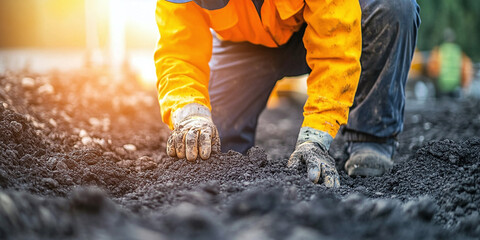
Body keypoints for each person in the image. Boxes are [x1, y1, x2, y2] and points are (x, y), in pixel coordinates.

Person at [154, 0, 420, 187]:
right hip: (245, 43)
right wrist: (191, 113)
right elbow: (178, 50)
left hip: (322, 23)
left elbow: (336, 46)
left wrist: (315, 138)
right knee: (212, 150)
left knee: (393, 7)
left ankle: (370, 138)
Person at [427, 28, 473, 98]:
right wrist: (465, 85)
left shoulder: (440, 50)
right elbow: (466, 69)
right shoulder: (458, 51)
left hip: (442, 86)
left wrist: (434, 82)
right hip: (455, 86)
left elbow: (432, 69)